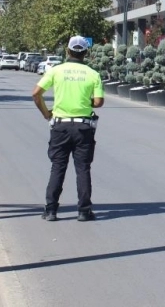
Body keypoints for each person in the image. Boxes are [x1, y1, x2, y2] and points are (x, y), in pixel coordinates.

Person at [32, 36, 104, 222]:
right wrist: (83, 101)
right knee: (83, 169)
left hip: (60, 125)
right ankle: (84, 211)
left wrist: (46, 113)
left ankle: (51, 211)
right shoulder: (92, 74)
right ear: (85, 53)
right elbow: (98, 102)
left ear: (68, 51)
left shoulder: (57, 71)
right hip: (83, 127)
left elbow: (36, 93)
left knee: (57, 167)